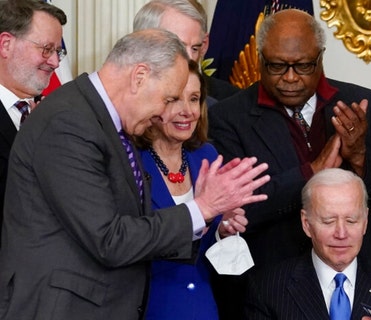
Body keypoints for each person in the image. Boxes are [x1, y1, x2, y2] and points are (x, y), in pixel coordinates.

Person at [0, 29, 270, 320]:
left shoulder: (105, 122)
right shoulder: (69, 123)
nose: (164, 113)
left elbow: (132, 226)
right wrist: (202, 208)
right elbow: (108, 239)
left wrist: (206, 218)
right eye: (168, 99)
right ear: (139, 77)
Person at [208, 8, 371, 318]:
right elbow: (237, 209)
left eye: (303, 66)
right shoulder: (229, 117)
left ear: (320, 58)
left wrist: (360, 158)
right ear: (260, 58)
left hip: (353, 286)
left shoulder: (360, 104)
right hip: (271, 293)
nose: (290, 78)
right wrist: (310, 173)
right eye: (277, 66)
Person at [135, 60, 244, 319]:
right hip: (148, 305)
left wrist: (224, 230)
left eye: (194, 99)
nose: (187, 111)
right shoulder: (131, 159)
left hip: (203, 304)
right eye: (174, 100)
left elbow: (209, 247)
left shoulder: (207, 155)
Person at [245, 168, 371, 320]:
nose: (341, 234)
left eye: (351, 220)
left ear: (365, 222)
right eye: (328, 221)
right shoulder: (268, 289)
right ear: (306, 224)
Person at [0, 0, 66, 246]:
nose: (55, 63)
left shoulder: (52, 115)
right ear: (6, 44)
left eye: (58, 52)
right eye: (47, 49)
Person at [133, 0, 239, 102]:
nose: (190, 58)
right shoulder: (123, 99)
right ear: (144, 45)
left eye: (195, 48)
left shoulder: (229, 102)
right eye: (178, 47)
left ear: (204, 45)